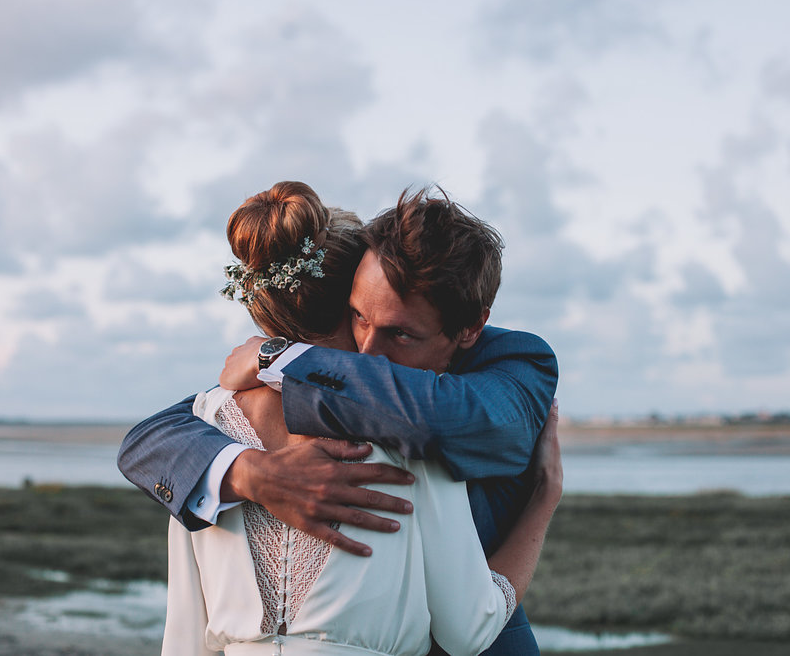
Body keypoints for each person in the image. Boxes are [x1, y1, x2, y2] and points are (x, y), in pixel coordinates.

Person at [119, 185, 559, 655]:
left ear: (470, 327)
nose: (370, 354)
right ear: (348, 289)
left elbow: (439, 418)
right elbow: (145, 443)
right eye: (358, 317)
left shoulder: (505, 368)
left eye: (401, 334)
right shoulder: (214, 425)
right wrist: (248, 472)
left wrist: (278, 358)